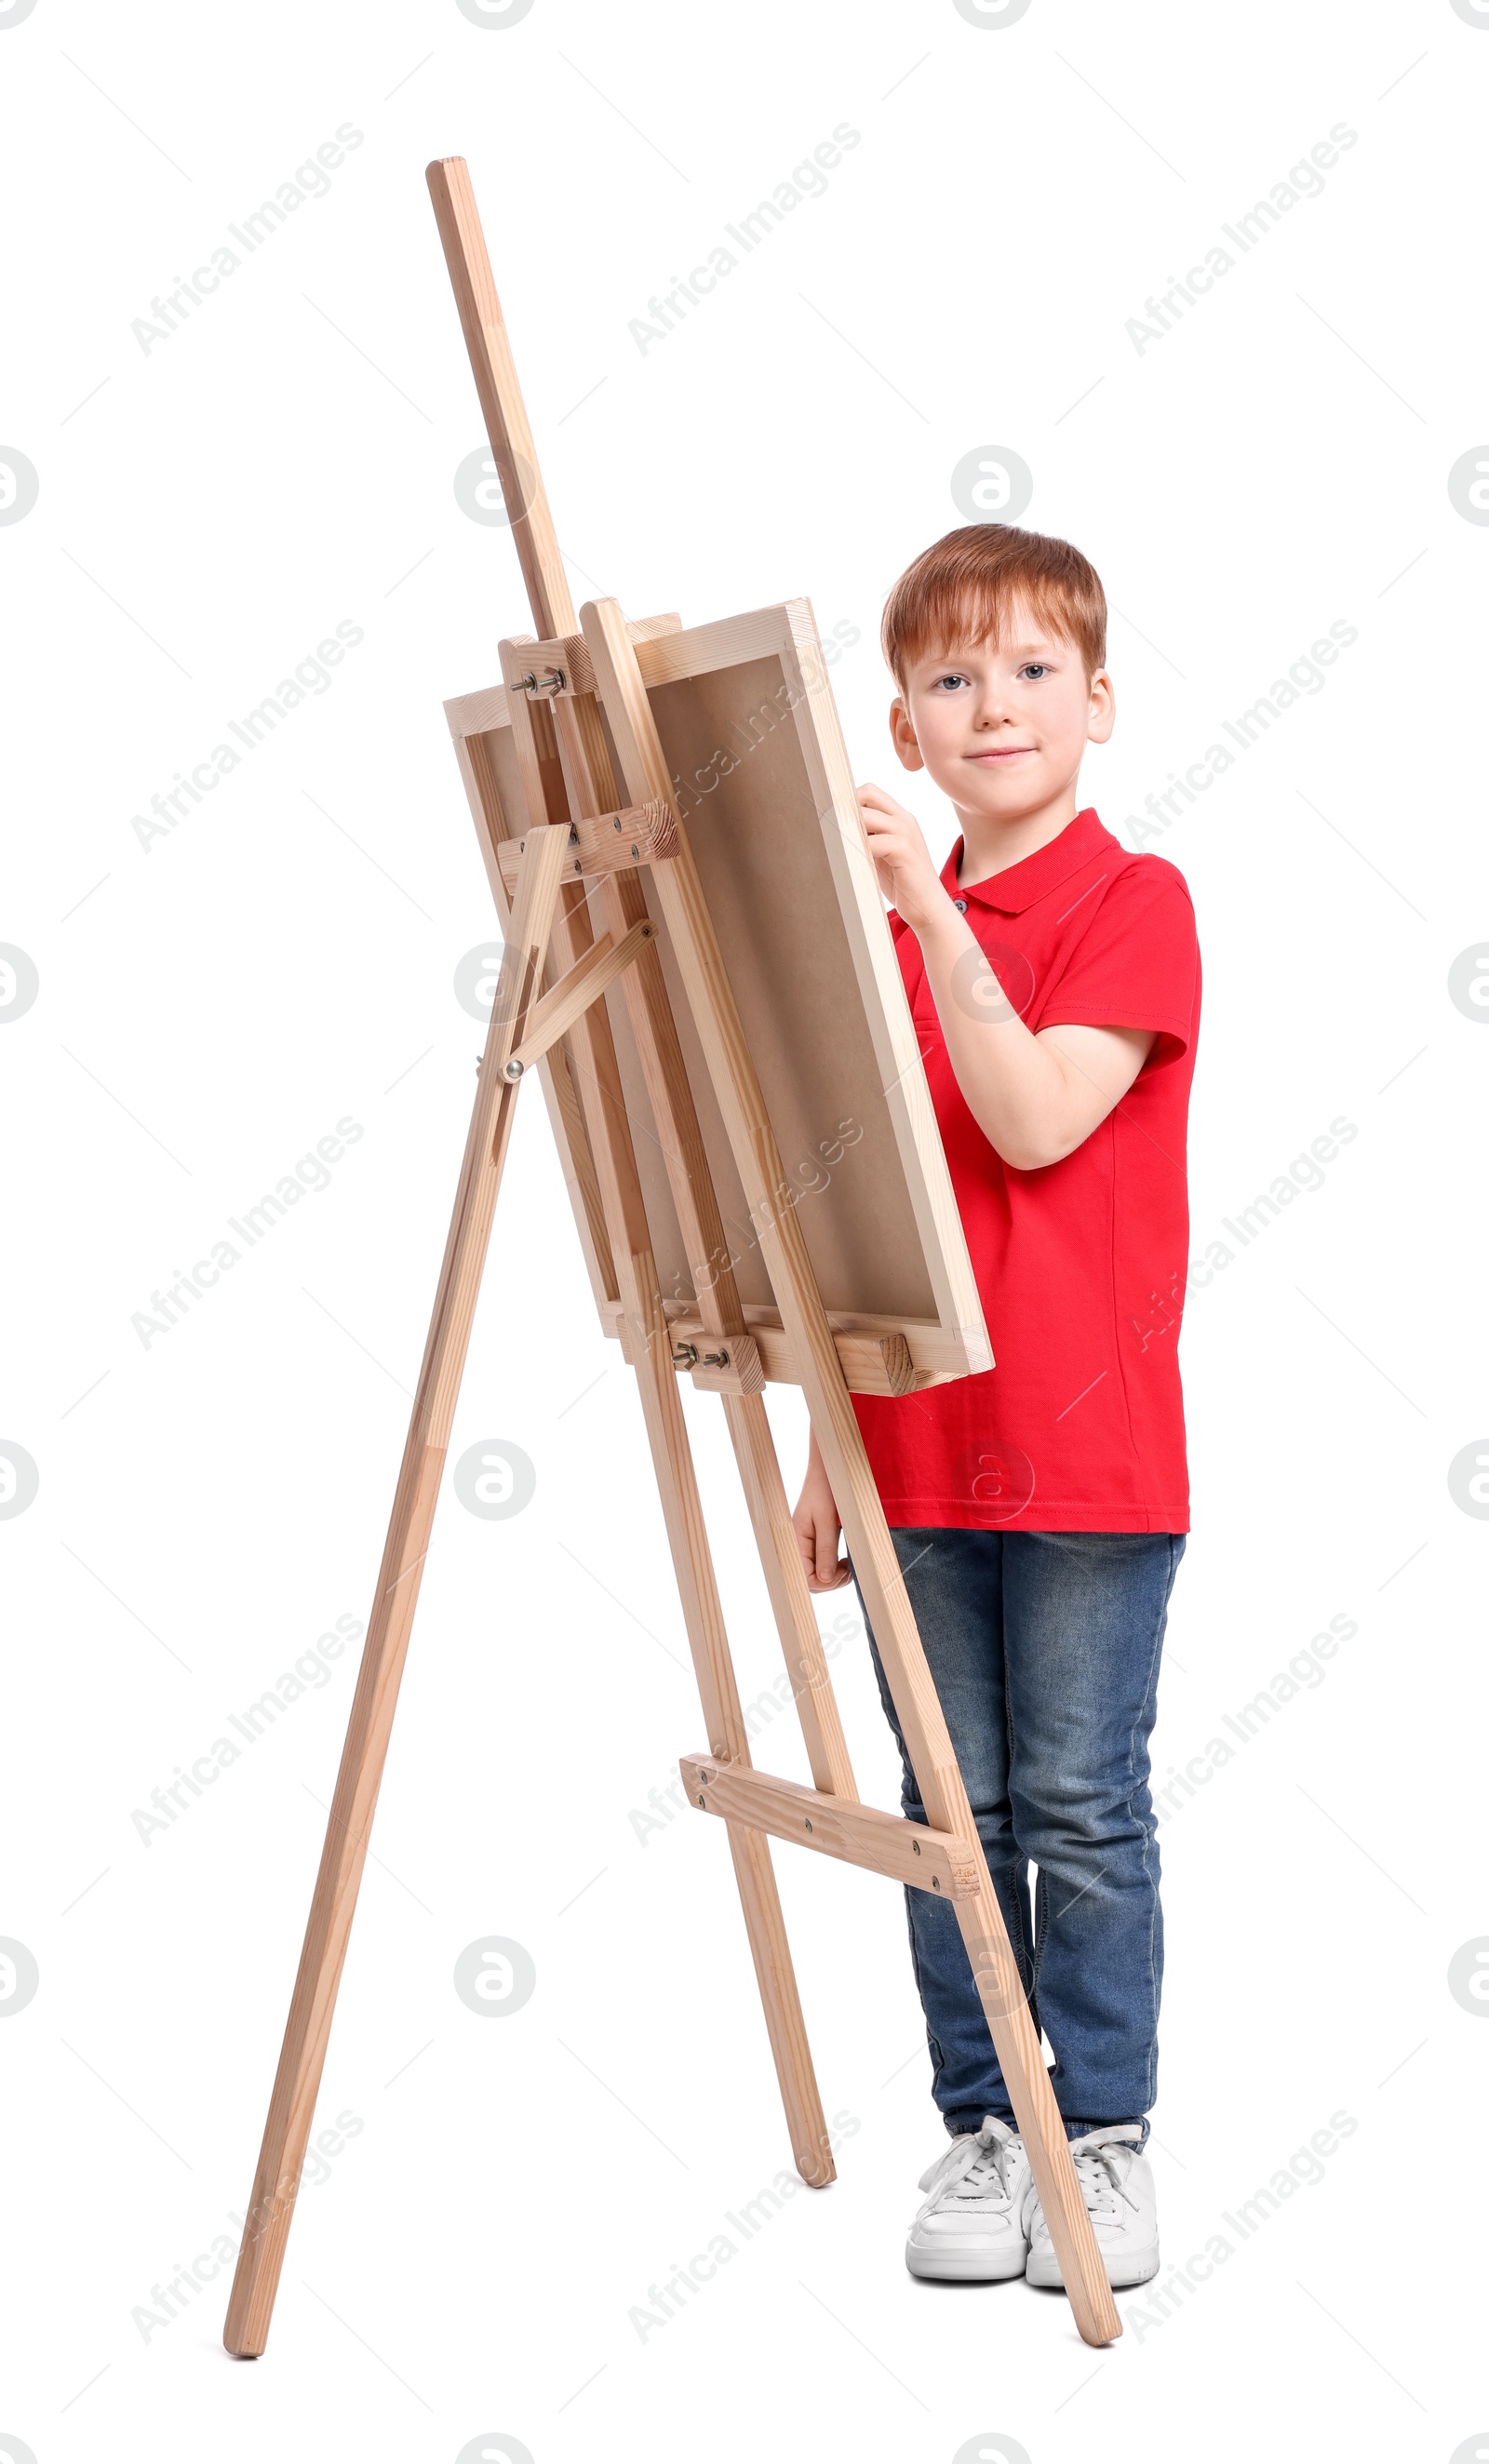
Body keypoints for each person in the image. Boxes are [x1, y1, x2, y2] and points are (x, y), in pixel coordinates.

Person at [791, 523, 1201, 2294]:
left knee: (1081, 1803)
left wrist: (932, 925)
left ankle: (1096, 2138)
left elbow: (1034, 1120)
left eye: (1032, 669)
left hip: (1094, 1453)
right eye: (951, 678)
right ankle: (983, 2124)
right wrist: (826, 1443)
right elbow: (854, 1204)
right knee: (948, 1809)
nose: (993, 704)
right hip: (913, 1444)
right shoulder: (884, 943)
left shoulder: (1138, 904)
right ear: (902, 728)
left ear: (1098, 704)